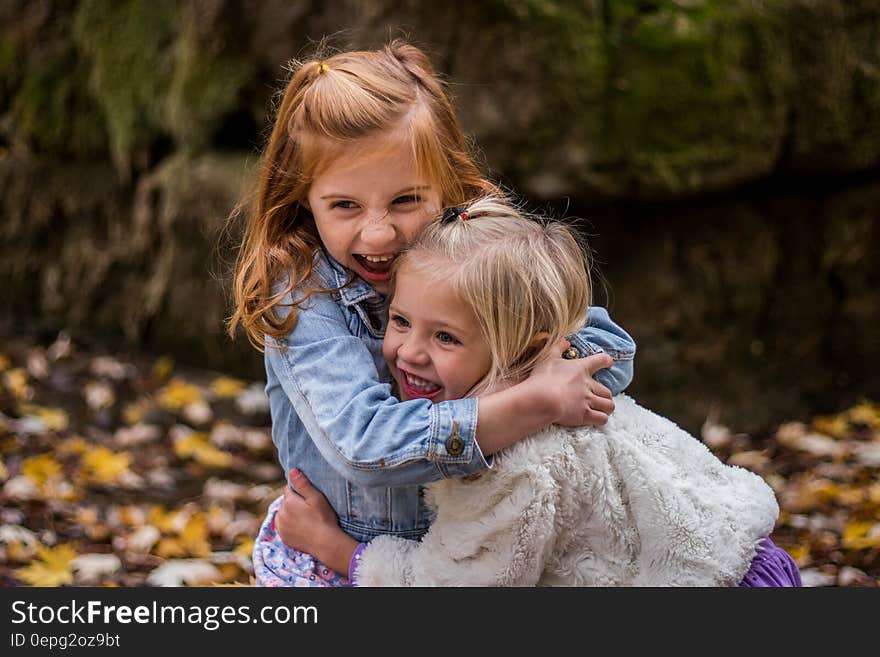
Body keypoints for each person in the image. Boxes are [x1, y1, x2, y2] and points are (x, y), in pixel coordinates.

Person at [228, 41, 637, 586]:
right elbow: (365, 445)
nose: (378, 234)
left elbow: (610, 355)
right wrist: (526, 402)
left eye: (405, 201)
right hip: (339, 558)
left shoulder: (474, 258)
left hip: (469, 553)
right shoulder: (304, 294)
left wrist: (530, 378)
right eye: (345, 205)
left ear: (447, 185)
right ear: (303, 197)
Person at [275, 197, 802, 587]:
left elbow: (454, 591)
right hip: (738, 552)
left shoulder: (515, 462)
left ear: (527, 347)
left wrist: (337, 549)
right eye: (399, 320)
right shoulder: (563, 383)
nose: (410, 352)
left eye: (446, 337)